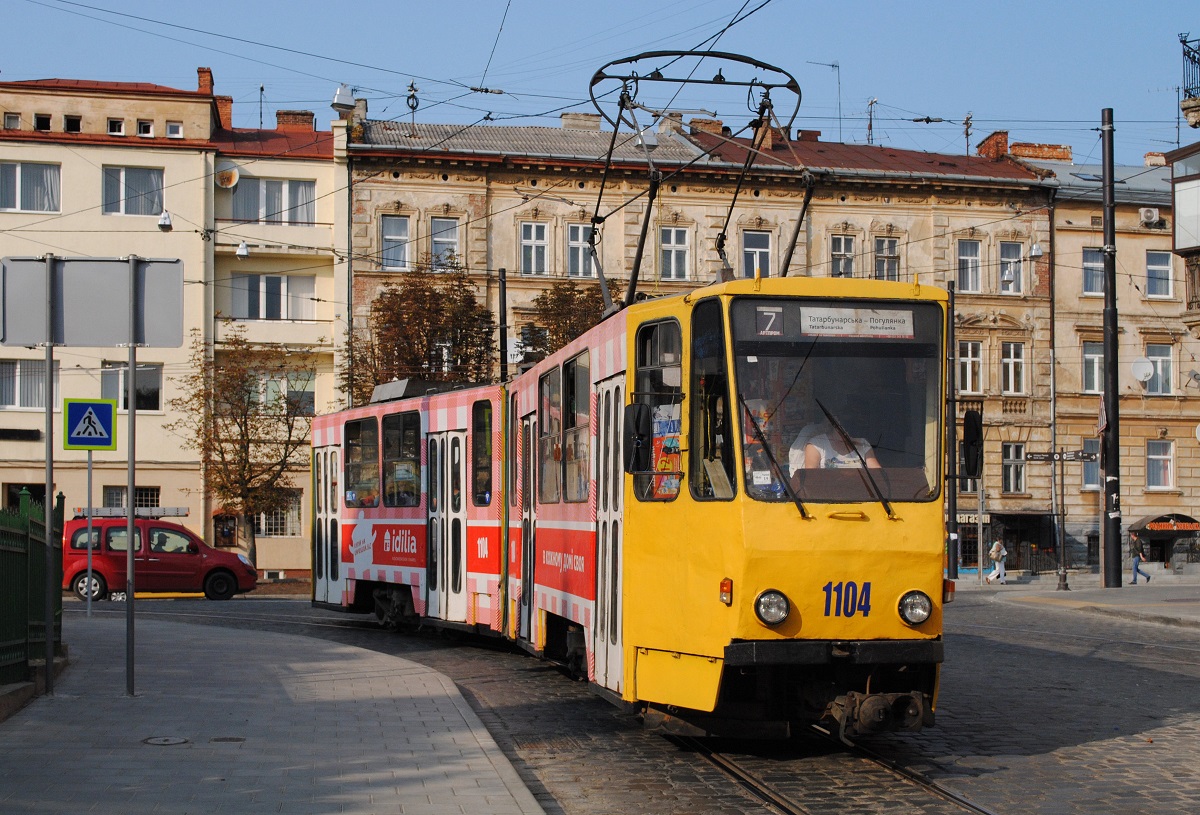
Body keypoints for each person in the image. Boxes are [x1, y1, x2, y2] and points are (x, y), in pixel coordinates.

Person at [801, 428, 881, 470]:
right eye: (844, 425)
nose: (846, 431)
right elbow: (810, 478)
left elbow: (877, 474)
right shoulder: (817, 444)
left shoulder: (862, 443)